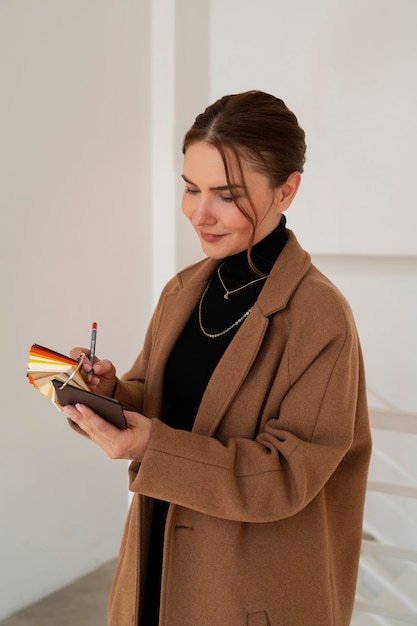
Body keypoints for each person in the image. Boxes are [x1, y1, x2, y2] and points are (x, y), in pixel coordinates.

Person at [64, 90, 372, 626]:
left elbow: (286, 475)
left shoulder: (320, 318)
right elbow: (160, 401)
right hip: (154, 572)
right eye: (190, 188)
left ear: (287, 190)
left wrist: (149, 445)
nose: (199, 213)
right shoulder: (183, 291)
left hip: (246, 595)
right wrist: (109, 393)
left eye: (226, 195)